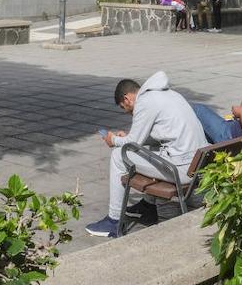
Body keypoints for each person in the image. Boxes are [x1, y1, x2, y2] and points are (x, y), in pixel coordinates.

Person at [84, 72, 209, 238]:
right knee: (142, 152)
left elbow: (133, 143)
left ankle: (113, 222)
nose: (127, 111)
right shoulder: (170, 94)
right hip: (197, 163)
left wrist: (113, 139)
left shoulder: (145, 102)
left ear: (127, 98)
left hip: (181, 170)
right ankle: (148, 206)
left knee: (119, 156)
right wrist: (127, 137)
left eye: (124, 107)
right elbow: (157, 136)